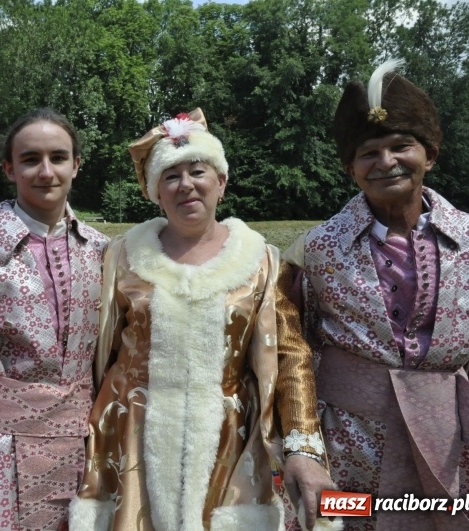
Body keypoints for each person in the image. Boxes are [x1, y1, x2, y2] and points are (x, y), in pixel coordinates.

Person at [69, 109, 337, 530]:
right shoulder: (122, 257)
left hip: (228, 436)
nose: (186, 185)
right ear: (156, 191)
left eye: (198, 171)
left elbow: (289, 356)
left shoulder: (261, 260)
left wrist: (304, 447)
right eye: (170, 176)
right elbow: (97, 348)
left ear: (221, 182)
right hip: (131, 431)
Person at [283, 59, 469, 530]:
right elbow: (293, 354)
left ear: (430, 154)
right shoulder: (316, 250)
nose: (386, 162)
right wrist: (303, 449)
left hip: (453, 443)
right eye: (369, 152)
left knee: (451, 519)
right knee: (352, 520)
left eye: (401, 146)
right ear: (349, 167)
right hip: (348, 446)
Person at [0, 108, 109, 530]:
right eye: (30, 159)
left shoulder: (103, 251)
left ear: (76, 165)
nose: (45, 171)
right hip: (1, 453)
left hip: (85, 450)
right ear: (9, 168)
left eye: (58, 157)